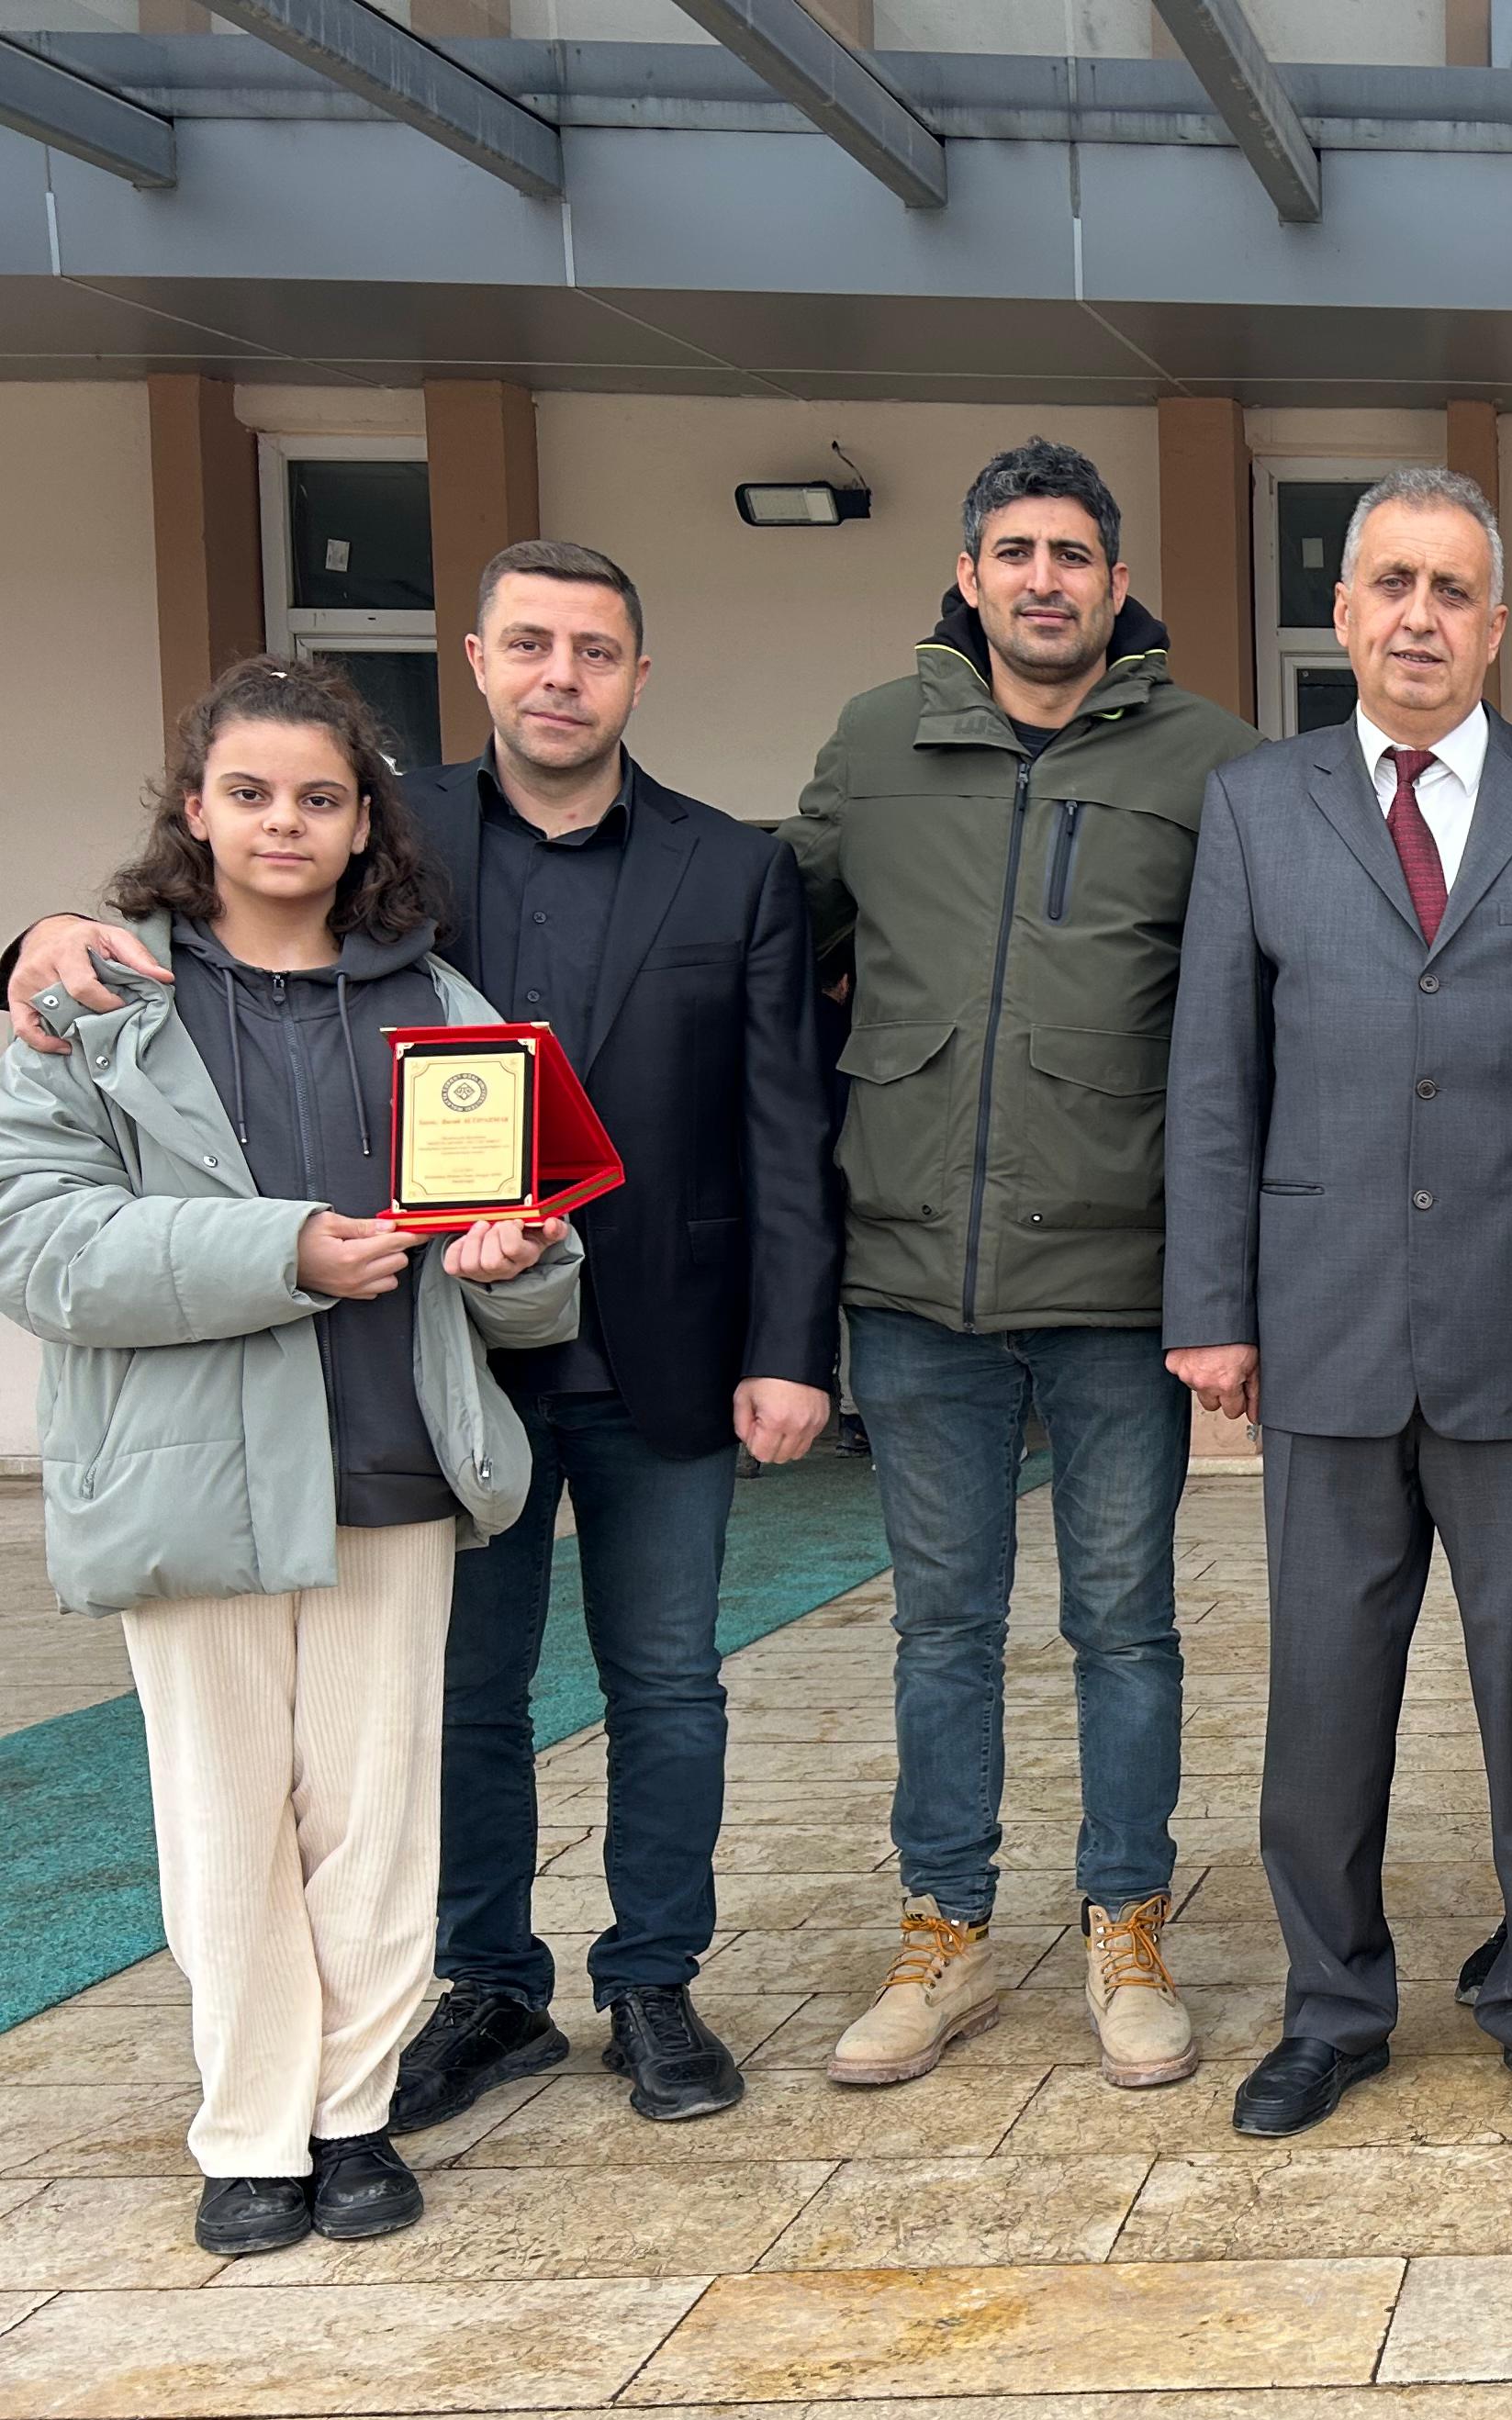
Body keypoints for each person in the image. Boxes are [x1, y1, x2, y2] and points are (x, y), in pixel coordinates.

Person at [21, 543, 846, 2134]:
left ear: (638, 676)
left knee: (669, 1680)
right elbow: (208, 918)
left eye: (593, 650)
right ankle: (489, 1986)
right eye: (529, 643)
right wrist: (44, 933)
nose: (560, 676)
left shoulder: (731, 868)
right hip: (430, 1352)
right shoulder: (386, 838)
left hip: (661, 1340)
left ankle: (654, 1981)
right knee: (462, 1695)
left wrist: (790, 1343)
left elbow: (786, 1119)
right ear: (476, 660)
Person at [0, 655, 582, 2256]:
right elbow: (42, 1249)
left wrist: (518, 1261)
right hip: (186, 1475)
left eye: (320, 797)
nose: (285, 823)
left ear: (363, 821)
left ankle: (352, 2113)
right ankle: (250, 2130)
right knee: (223, 1814)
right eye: (250, 793)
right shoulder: (96, 1006)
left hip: (392, 1455)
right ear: (193, 809)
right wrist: (285, 1252)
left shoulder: (445, 1009)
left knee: (373, 1814)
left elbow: (531, 1273)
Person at [1164, 466, 1512, 2139]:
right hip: (1321, 1331)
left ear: (1496, 623)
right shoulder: (1256, 806)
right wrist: (1211, 1304)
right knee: (1324, 1708)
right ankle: (1332, 2006)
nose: (1418, 615)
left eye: (1451, 589)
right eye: (1391, 583)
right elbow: (1213, 1079)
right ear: (1342, 613)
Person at [781, 441, 1258, 2095]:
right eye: (1013, 551)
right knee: (942, 1626)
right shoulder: (876, 742)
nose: (1042, 578)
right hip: (916, 1278)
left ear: (1116, 583)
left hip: (1121, 1282)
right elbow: (766, 942)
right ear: (968, 576)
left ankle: (1127, 1923)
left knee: (1124, 1625)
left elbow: (1254, 1010)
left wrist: (1231, 1282)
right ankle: (947, 1932)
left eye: (1071, 553)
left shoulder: (1210, 760)